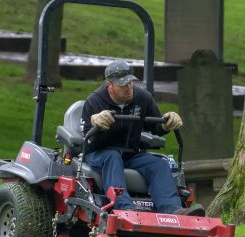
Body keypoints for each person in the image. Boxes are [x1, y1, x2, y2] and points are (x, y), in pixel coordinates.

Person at [81, 60, 195, 215]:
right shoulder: (95, 101)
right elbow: (87, 139)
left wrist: (167, 124)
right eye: (123, 84)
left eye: (130, 82)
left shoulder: (143, 98)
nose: (129, 88)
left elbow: (156, 126)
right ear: (109, 85)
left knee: (159, 164)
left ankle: (173, 210)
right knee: (112, 156)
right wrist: (96, 122)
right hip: (99, 154)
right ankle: (125, 210)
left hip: (131, 154)